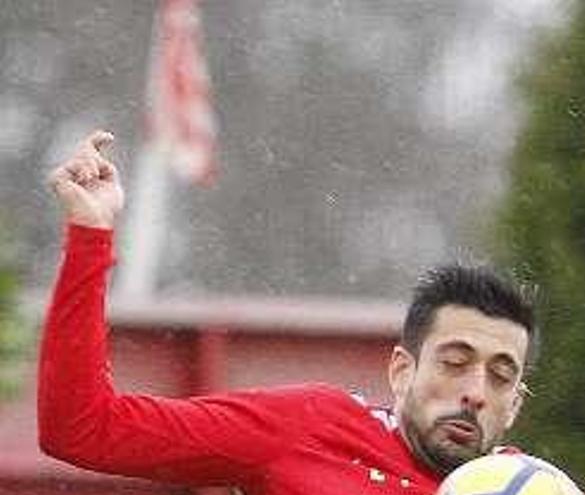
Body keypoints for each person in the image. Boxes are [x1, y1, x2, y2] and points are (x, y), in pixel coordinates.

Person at [38, 131, 543, 495]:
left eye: (500, 377)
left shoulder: (533, 488)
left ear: (515, 407)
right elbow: (83, 429)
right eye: (454, 362)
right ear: (401, 370)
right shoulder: (309, 427)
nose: (475, 393)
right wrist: (90, 236)